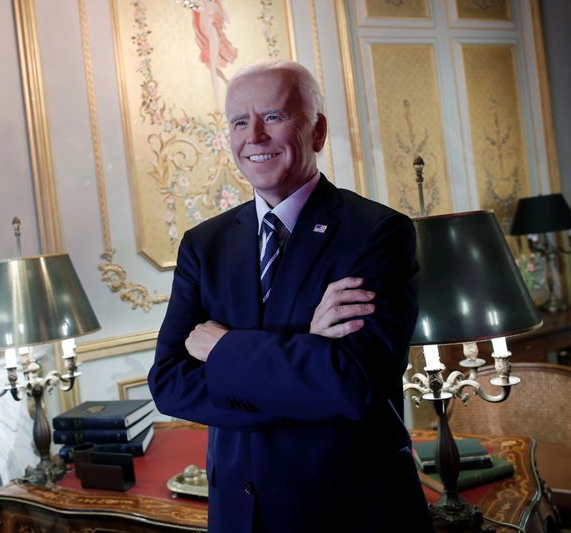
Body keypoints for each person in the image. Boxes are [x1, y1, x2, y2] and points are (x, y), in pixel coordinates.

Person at [148, 61, 433, 533]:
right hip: (238, 513)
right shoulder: (205, 244)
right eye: (240, 122)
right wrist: (307, 350)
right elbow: (170, 382)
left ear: (317, 131)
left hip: (350, 512)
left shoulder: (376, 234)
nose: (253, 137)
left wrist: (223, 350)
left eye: (273, 117)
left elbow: (353, 386)